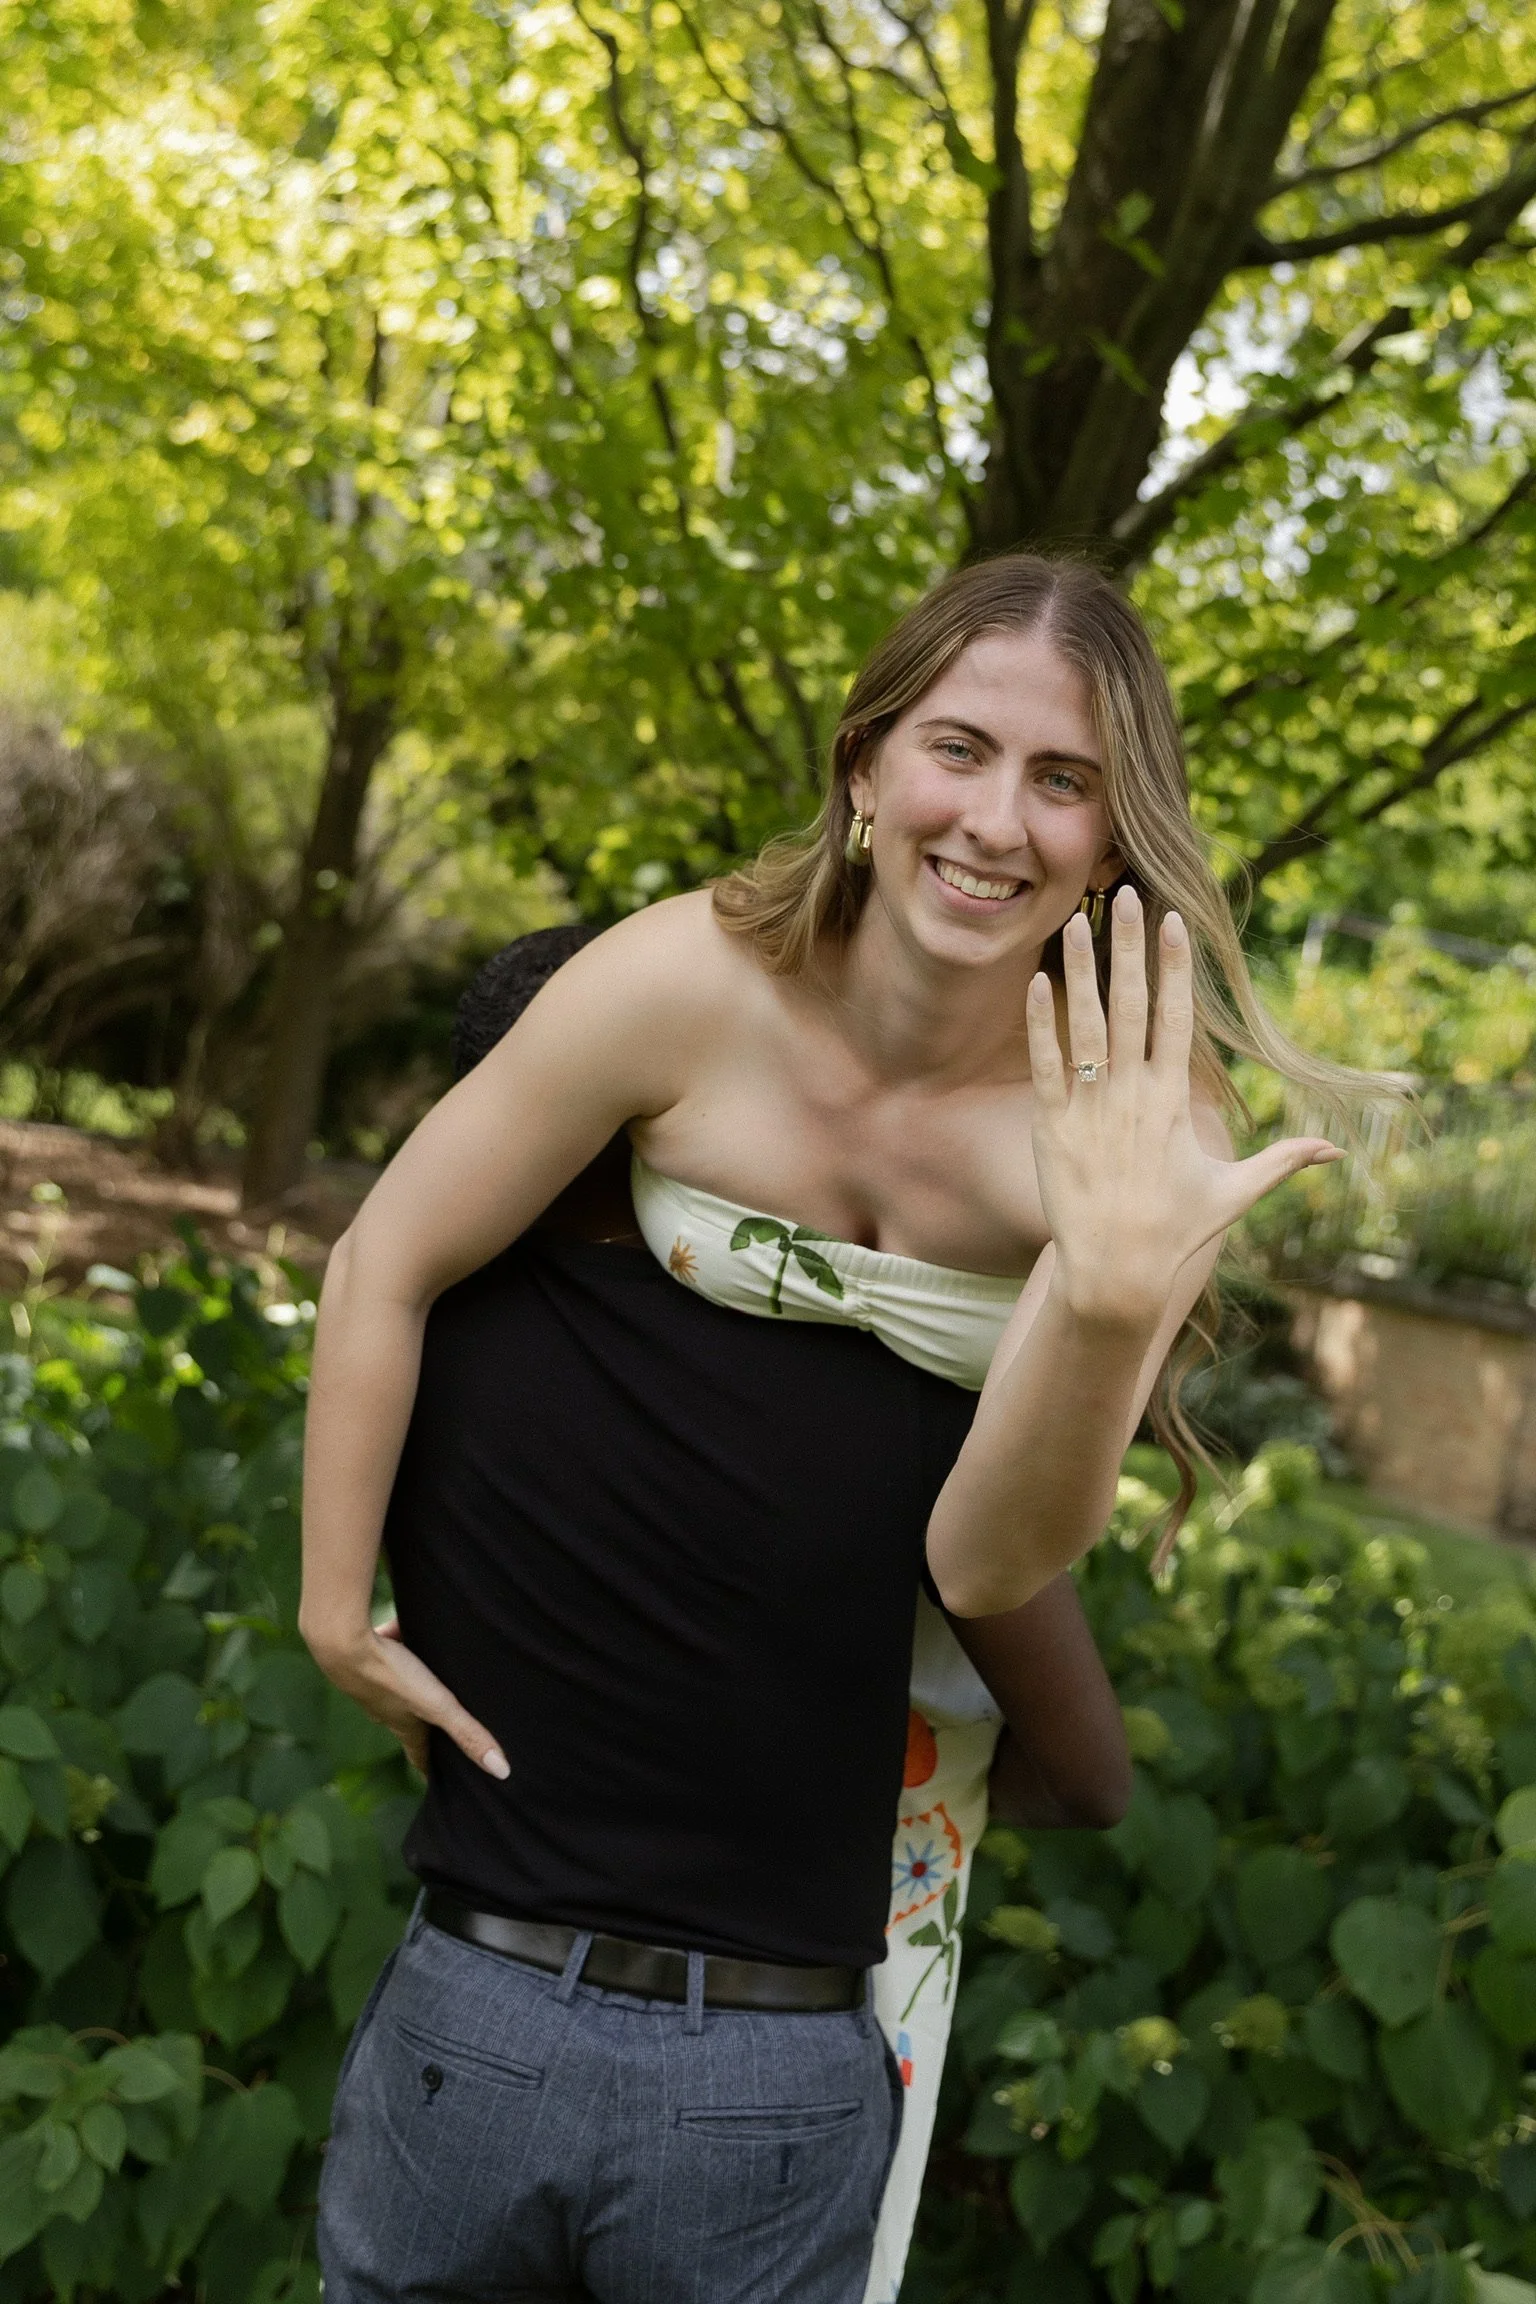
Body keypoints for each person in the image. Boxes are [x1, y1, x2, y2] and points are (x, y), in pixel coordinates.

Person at [303, 554, 1374, 2304]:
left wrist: (1107, 1307)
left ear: (1113, 836)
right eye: (959, 748)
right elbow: (386, 1259)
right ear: (866, 767)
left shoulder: (1141, 1112)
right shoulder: (684, 980)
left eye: (1064, 780)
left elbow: (988, 1555)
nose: (997, 820)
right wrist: (336, 1607)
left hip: (877, 1693)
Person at [372, 925, 1129, 2303]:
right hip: (758, 2073)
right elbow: (1089, 1774)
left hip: (468, 2011)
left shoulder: (410, 1351)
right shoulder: (897, 1390)